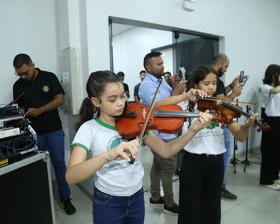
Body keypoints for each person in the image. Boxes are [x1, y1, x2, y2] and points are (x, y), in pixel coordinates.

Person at [65, 70, 211, 224]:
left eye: (123, 96)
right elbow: (71, 176)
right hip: (108, 201)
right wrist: (108, 155)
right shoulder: (89, 129)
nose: (121, 103)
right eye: (112, 99)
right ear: (96, 102)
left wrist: (193, 130)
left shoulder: (137, 120)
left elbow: (166, 151)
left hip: (136, 197)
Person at [154, 65, 258, 224]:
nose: (211, 88)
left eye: (214, 83)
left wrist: (246, 127)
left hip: (216, 164)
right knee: (190, 209)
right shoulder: (187, 103)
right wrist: (185, 96)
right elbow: (157, 105)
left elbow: (240, 136)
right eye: (206, 83)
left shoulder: (221, 107)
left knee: (212, 208)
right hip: (193, 162)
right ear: (196, 84)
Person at [12, 53, 76, 215]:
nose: (23, 76)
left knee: (59, 164)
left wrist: (39, 110)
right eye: (19, 74)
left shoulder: (49, 77)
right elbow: (18, 107)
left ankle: (65, 198)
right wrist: (20, 113)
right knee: (36, 167)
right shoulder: (18, 85)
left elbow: (59, 99)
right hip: (33, 134)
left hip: (53, 130)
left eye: (26, 72)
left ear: (32, 65)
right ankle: (40, 198)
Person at [138, 51, 187, 215]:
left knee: (158, 165)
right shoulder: (147, 85)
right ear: (148, 67)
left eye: (162, 63)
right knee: (169, 166)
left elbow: (167, 97)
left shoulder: (159, 81)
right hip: (158, 133)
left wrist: (173, 86)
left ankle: (155, 197)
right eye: (159, 64)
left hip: (166, 130)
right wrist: (178, 92)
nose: (163, 66)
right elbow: (159, 106)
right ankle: (169, 203)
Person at [210, 53, 242, 201]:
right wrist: (234, 94)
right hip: (221, 121)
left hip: (219, 122)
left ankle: (216, 185)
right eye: (226, 66)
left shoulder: (214, 79)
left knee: (223, 154)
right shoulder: (214, 79)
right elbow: (221, 105)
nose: (227, 69)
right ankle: (219, 186)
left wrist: (231, 85)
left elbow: (220, 97)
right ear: (219, 65)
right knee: (225, 154)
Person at [259, 64, 280, 190]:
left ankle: (274, 175)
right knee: (270, 150)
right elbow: (275, 91)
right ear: (273, 75)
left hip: (279, 119)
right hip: (271, 120)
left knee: (278, 150)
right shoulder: (265, 87)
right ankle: (265, 179)